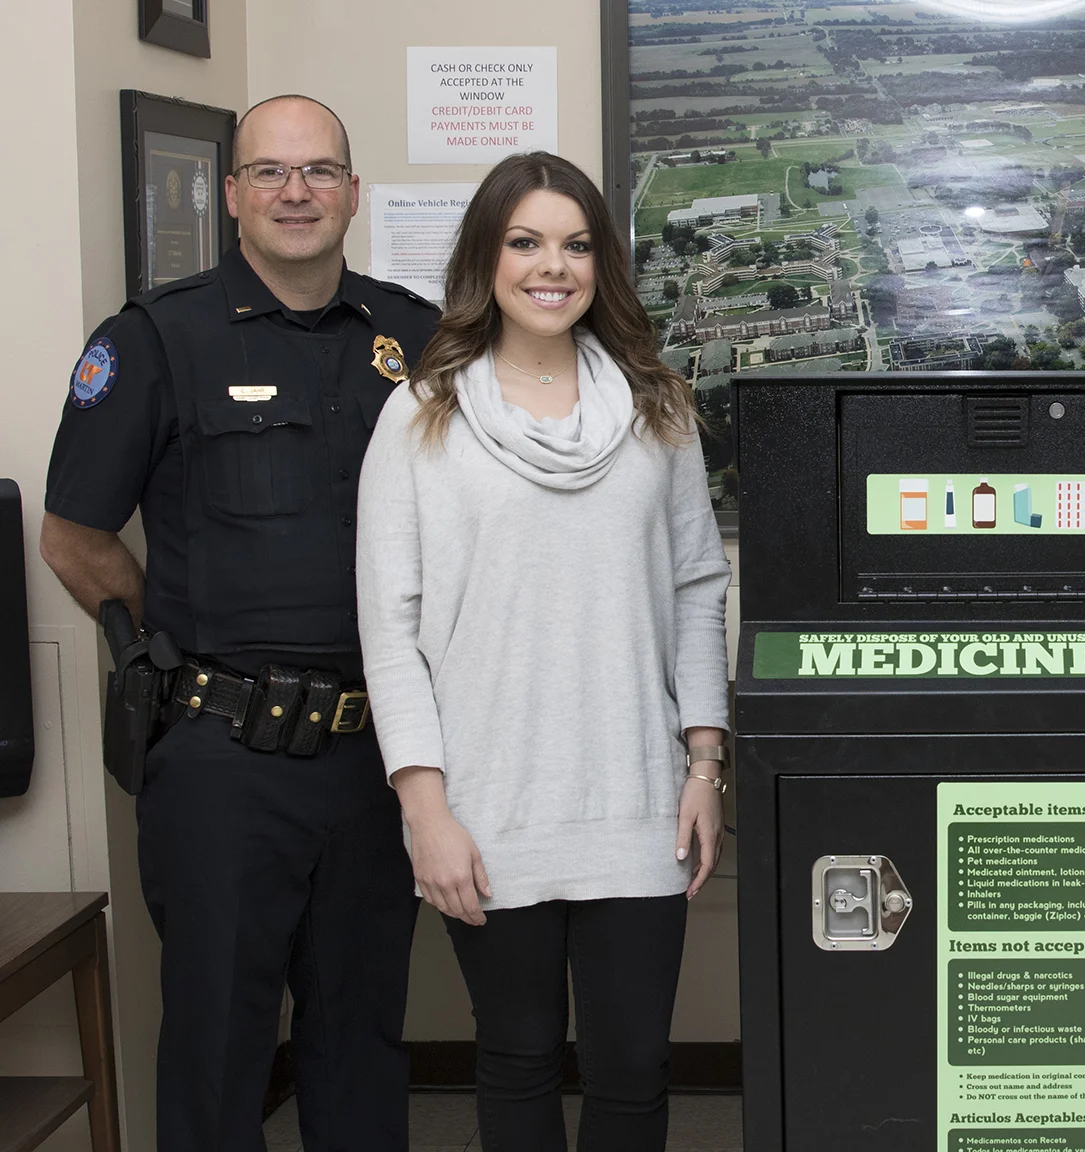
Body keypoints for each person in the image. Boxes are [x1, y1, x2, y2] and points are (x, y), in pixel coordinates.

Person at [39, 95, 438, 1150]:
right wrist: (166, 633)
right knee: (217, 1047)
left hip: (376, 754)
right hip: (222, 755)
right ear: (230, 196)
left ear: (353, 193)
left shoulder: (415, 335)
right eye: (269, 172)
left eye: (317, 172)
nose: (294, 192)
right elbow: (73, 538)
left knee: (361, 1038)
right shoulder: (155, 339)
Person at [355, 151, 730, 1151]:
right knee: (516, 1057)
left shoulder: (659, 408)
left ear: (600, 263)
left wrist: (704, 760)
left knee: (632, 1067)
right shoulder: (421, 415)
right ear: (487, 257)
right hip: (486, 806)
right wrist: (424, 809)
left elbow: (698, 586)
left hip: (636, 796)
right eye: (525, 242)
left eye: (573, 244)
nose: (550, 266)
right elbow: (388, 630)